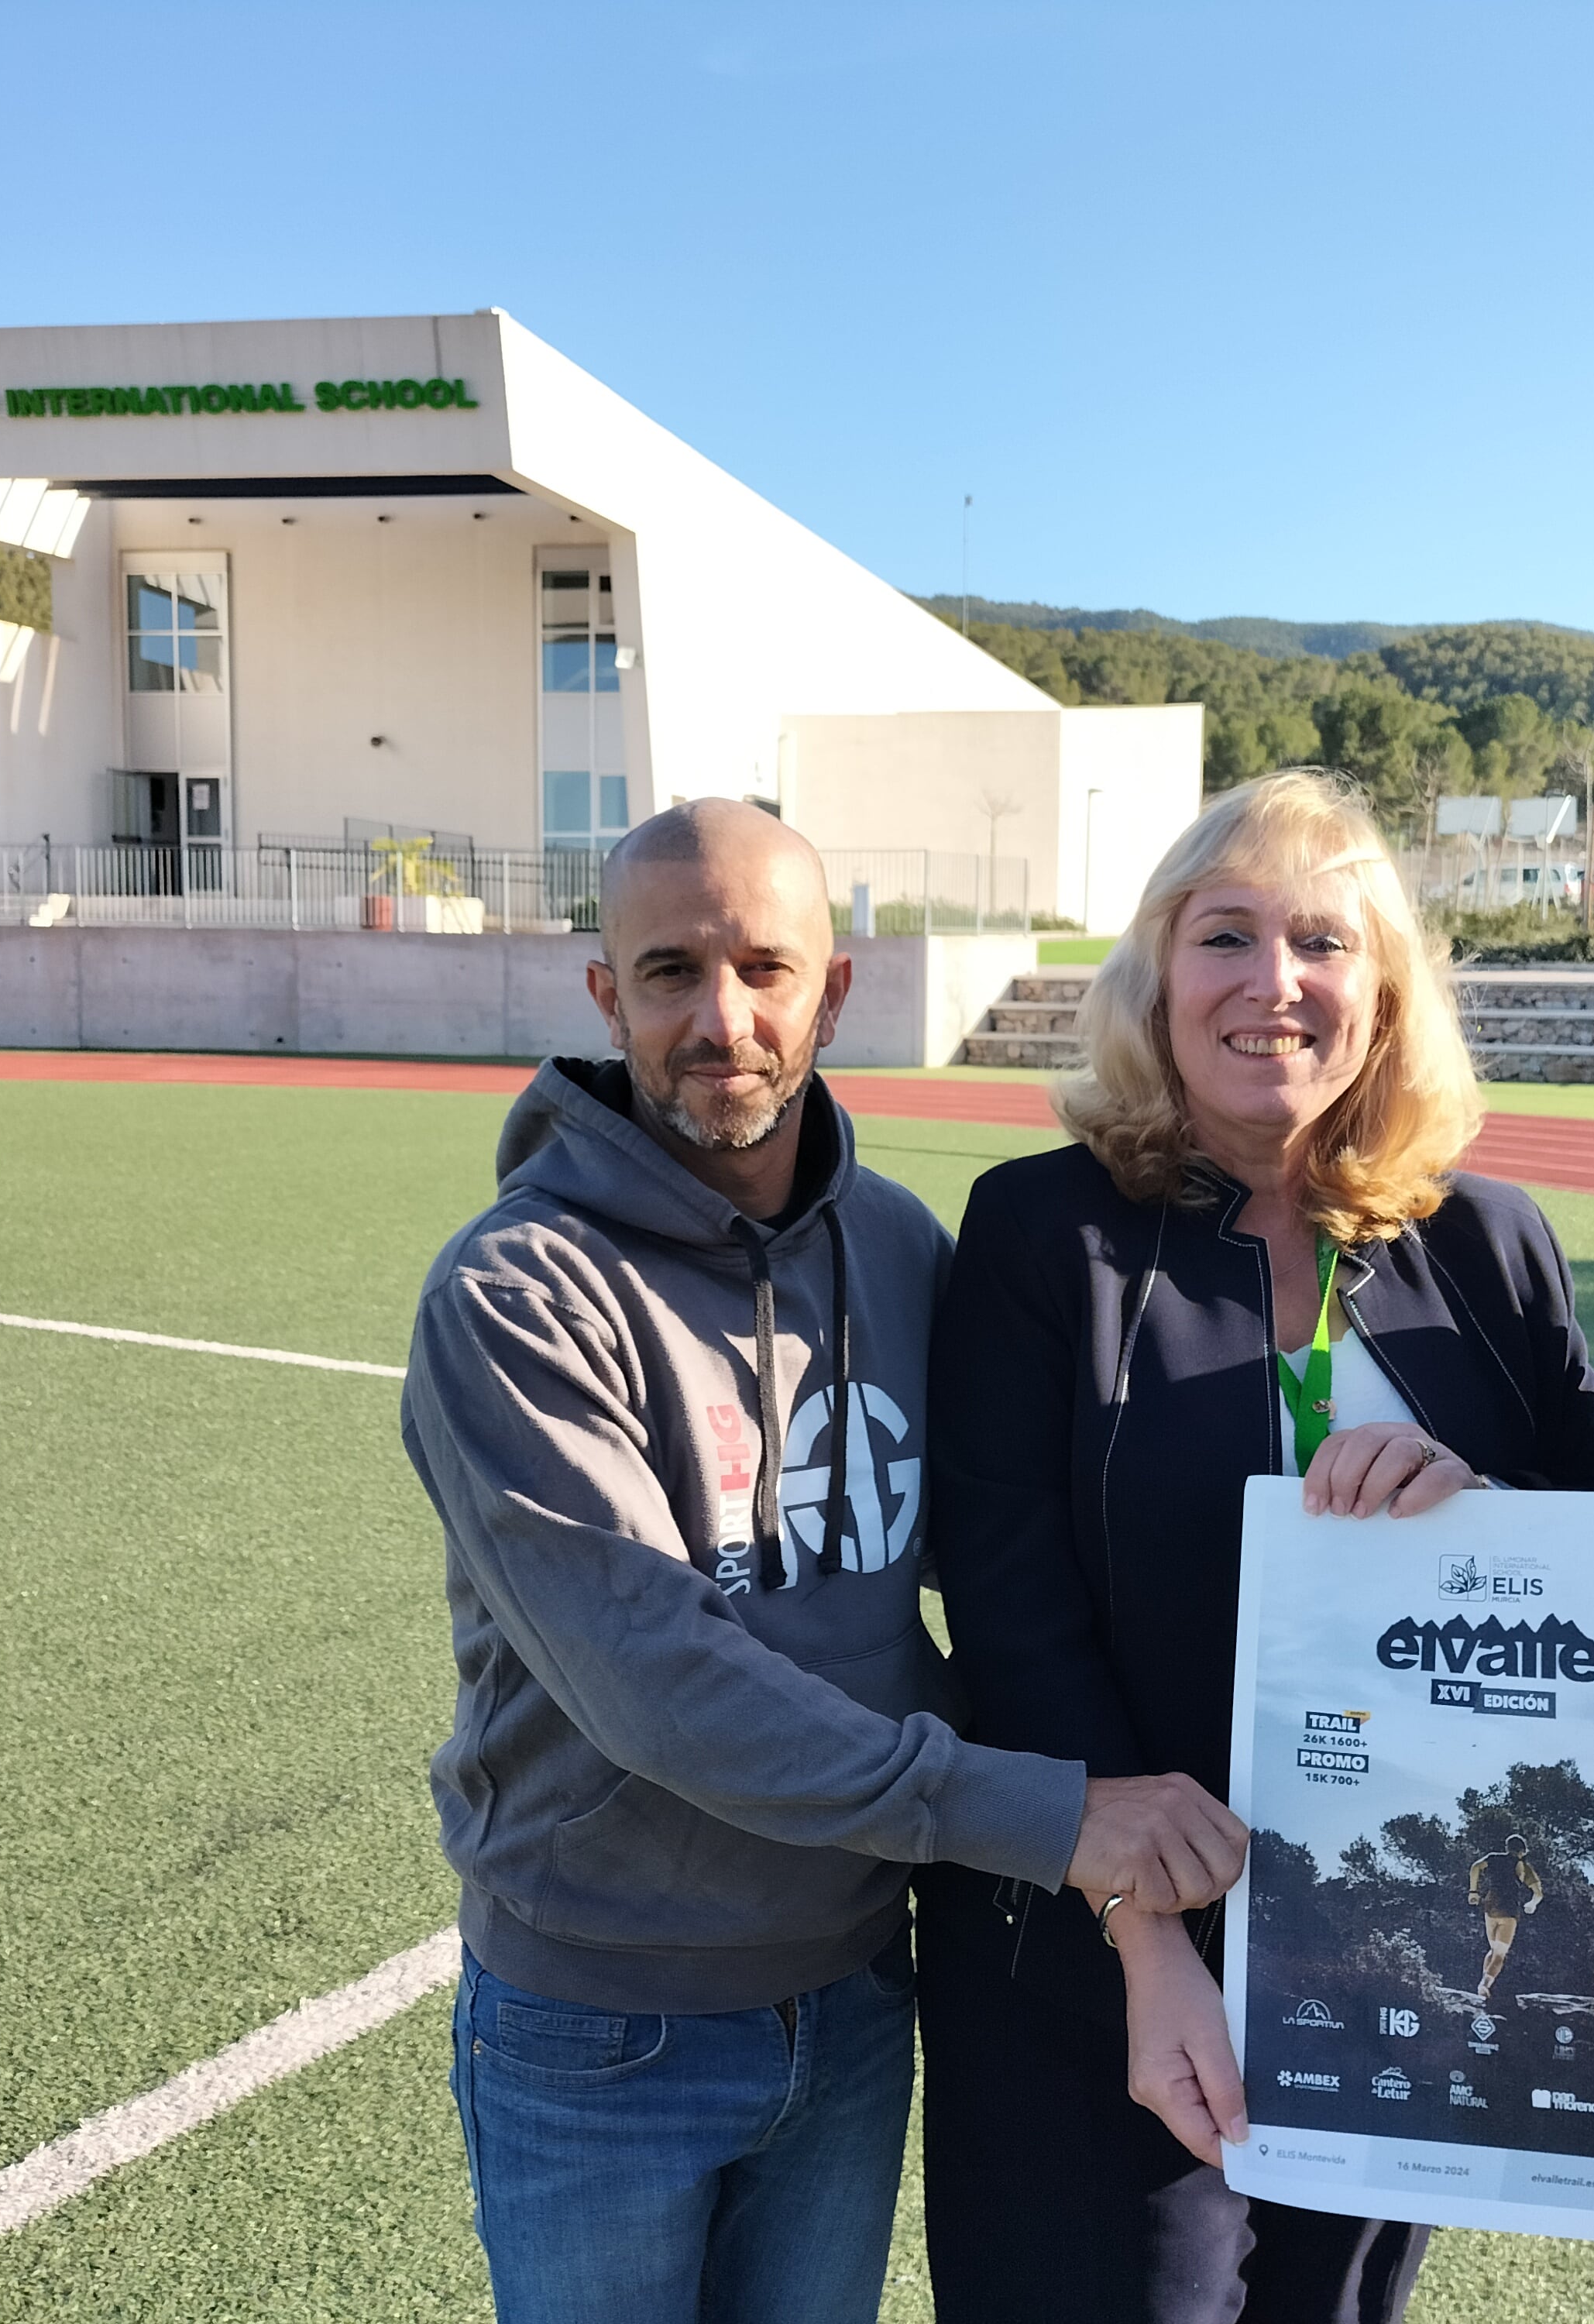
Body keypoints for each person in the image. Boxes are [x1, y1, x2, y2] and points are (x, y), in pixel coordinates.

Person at [400, 799, 1249, 2324]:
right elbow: (658, 1682)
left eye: (762, 968)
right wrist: (1053, 1823)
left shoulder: (909, 1250)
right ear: (606, 997)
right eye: (668, 972)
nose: (718, 1018)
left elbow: (1018, 1563)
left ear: (832, 993)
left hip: (856, 2000)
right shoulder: (513, 1296)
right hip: (604, 2023)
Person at [919, 770, 1594, 2324]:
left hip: (1391, 1961)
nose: (1273, 984)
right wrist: (1147, 1933)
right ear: (1156, 976)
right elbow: (1007, 1600)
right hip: (1095, 1958)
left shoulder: (1488, 1243)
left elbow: (1580, 1532)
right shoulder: (1036, 1233)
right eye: (1225, 937)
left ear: (1382, 993)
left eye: (1322, 941)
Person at [1466, 1830, 1543, 2003]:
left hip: (1490, 1906)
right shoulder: (1522, 1865)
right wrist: (1532, 1904)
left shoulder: (1493, 1858)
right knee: (1500, 1955)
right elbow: (1538, 1893)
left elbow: (1475, 1867)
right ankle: (1484, 1985)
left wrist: (1473, 1891)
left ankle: (1483, 1984)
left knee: (1493, 1950)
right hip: (1508, 1910)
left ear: (1507, 1848)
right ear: (1522, 1851)